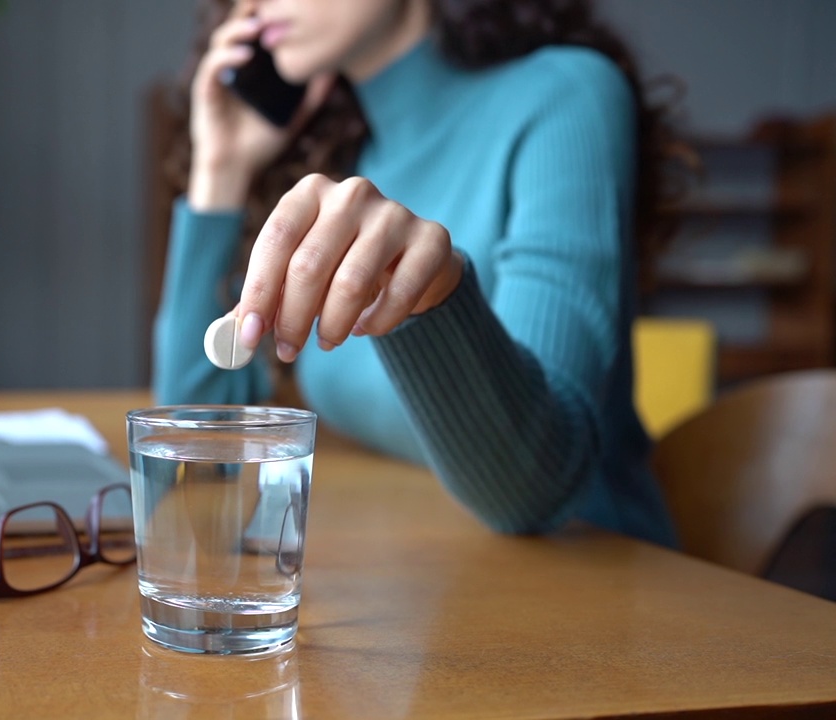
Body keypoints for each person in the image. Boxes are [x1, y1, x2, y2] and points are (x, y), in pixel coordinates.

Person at [151, 0, 684, 547]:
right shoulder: (345, 157)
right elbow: (199, 434)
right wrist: (222, 170)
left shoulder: (567, 94)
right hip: (422, 575)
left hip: (600, 588)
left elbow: (531, 491)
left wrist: (432, 295)